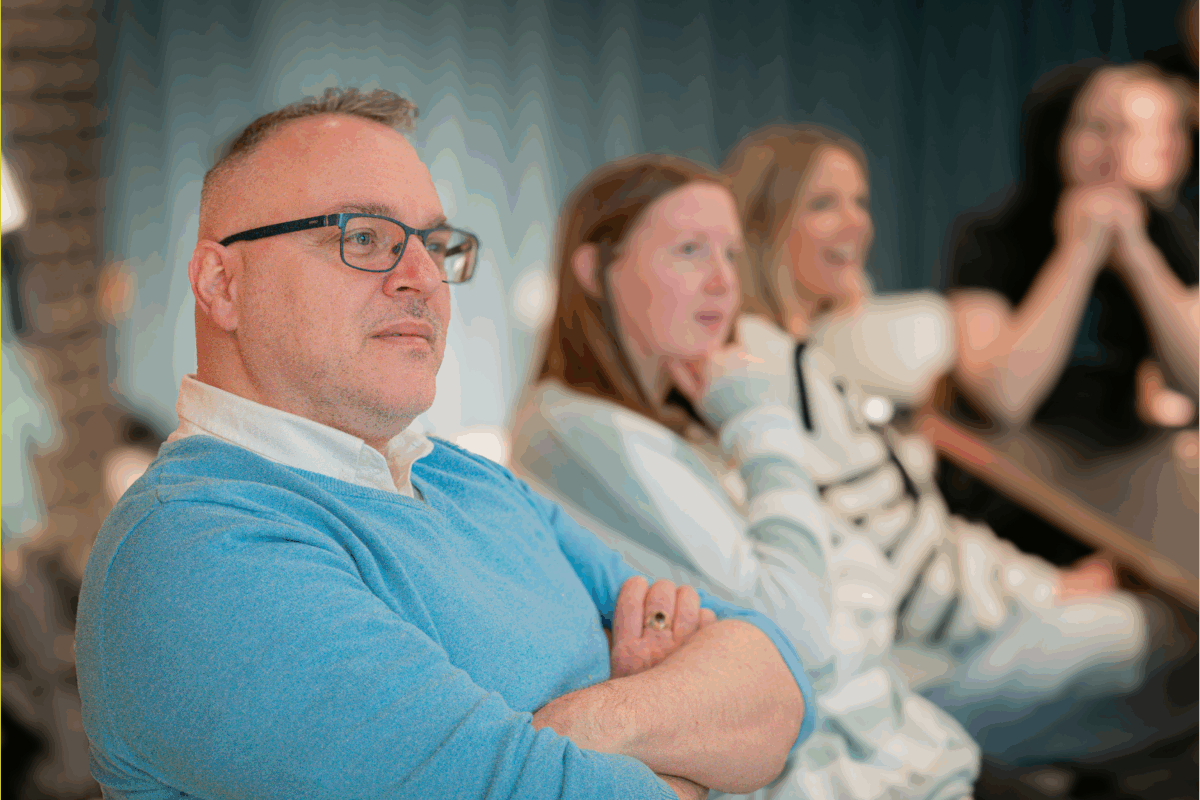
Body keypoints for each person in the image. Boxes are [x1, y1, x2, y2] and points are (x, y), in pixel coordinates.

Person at [73, 87, 815, 800]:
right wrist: (683, 746)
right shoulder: (196, 550)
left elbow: (779, 676)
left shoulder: (465, 479)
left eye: (434, 243)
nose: (424, 277)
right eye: (363, 238)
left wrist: (586, 723)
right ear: (221, 283)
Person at [720, 121, 1195, 769]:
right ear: (765, 223)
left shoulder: (815, 359)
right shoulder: (777, 372)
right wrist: (1049, 592)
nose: (855, 224)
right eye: (823, 204)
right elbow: (906, 568)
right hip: (900, 676)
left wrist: (1048, 584)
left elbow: (913, 530)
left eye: (859, 202)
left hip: (919, 641)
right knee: (1164, 634)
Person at [511, 153, 980, 800]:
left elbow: (856, 578)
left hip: (885, 743)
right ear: (594, 270)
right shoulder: (579, 429)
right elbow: (806, 636)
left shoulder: (690, 408)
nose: (721, 283)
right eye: (688, 251)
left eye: (730, 255)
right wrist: (763, 427)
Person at [938, 60, 1198, 557]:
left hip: (1128, 479)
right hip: (1016, 485)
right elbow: (1005, 396)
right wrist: (1076, 254)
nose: (1112, 149)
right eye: (1094, 128)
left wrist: (1139, 258)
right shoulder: (992, 238)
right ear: (1054, 135)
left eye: (1124, 130)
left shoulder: (1164, 231)